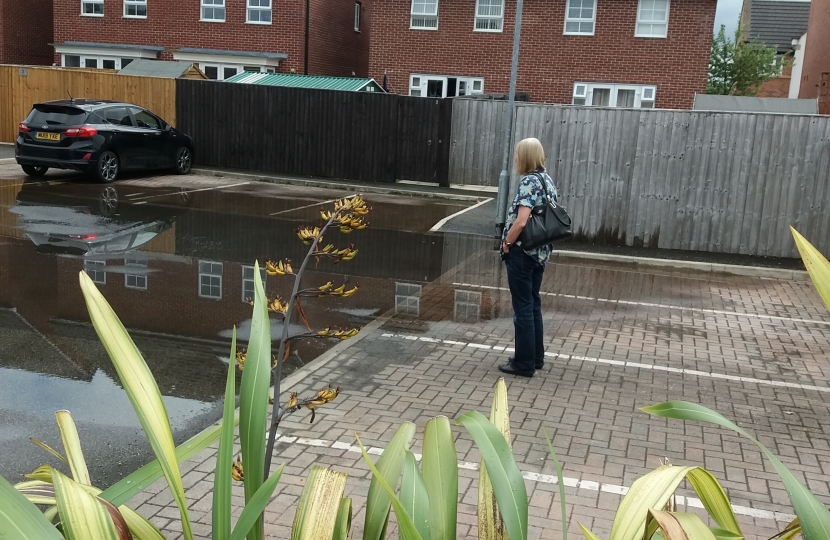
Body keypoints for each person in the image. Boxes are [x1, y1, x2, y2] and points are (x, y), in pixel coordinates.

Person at [499, 137, 558, 378]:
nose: (515, 157)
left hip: (522, 252)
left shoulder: (528, 183)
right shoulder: (547, 180)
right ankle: (535, 357)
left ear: (524, 156)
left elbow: (522, 221)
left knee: (522, 307)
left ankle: (523, 363)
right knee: (533, 304)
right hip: (540, 252)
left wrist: (506, 244)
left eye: (517, 153)